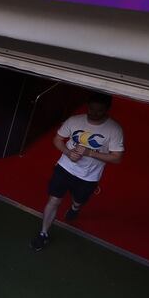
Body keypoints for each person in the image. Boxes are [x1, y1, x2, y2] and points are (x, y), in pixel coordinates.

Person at [33, 93, 123, 251]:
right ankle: (43, 233)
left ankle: (75, 208)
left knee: (78, 200)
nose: (93, 113)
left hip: (89, 176)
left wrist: (89, 153)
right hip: (65, 167)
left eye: (99, 111)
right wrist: (68, 153)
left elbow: (117, 158)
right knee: (54, 200)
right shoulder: (74, 120)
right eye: (91, 109)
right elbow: (57, 139)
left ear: (107, 110)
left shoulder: (114, 129)